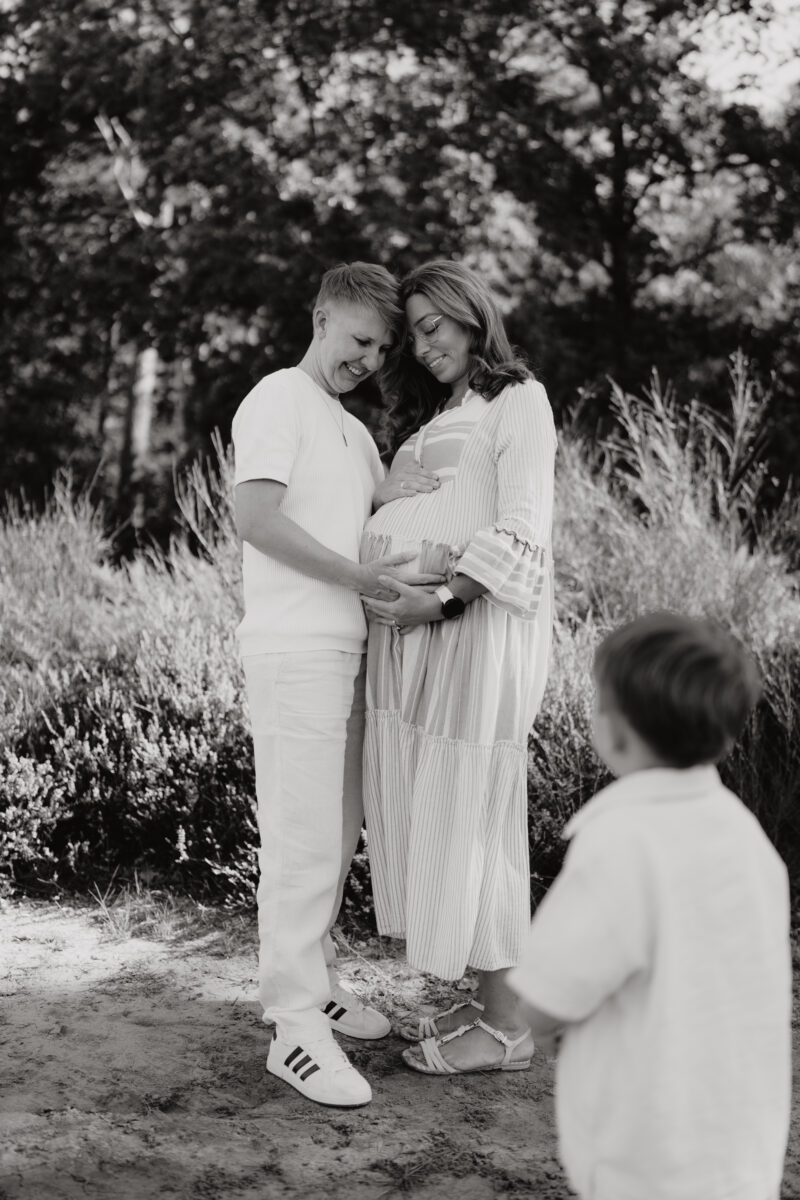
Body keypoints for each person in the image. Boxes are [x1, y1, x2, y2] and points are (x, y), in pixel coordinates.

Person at [231, 262, 438, 1108]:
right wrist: (360, 576)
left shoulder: (351, 431)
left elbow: (354, 525)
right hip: (295, 653)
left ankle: (314, 984)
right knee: (303, 839)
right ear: (320, 317)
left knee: (336, 833)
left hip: (349, 655)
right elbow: (255, 518)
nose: (369, 357)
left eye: (382, 347)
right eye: (358, 339)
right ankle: (293, 1029)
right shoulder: (277, 397)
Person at [508, 612, 792, 1200]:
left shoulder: (620, 844)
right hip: (740, 1151)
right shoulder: (750, 843)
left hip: (647, 1155)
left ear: (615, 732)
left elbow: (540, 1003)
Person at [360, 259, 558, 1074]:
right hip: (417, 643)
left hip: (467, 631)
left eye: (434, 325)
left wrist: (438, 600)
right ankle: (480, 998)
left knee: (477, 815)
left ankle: (509, 1028)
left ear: (472, 315)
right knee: (441, 811)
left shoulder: (520, 401)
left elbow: (521, 529)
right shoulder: (445, 410)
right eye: (414, 333)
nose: (424, 343)